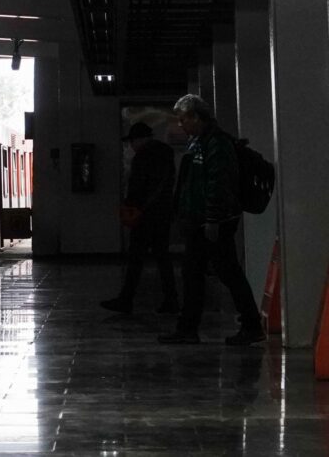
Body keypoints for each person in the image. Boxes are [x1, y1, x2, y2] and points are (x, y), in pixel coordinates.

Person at [158, 94, 264, 346]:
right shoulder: (200, 143)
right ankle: (188, 328)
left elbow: (218, 183)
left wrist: (213, 220)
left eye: (184, 119)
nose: (181, 125)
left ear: (197, 117)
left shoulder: (217, 144)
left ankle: (250, 326)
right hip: (201, 222)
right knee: (194, 274)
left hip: (213, 223)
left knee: (227, 273)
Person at [101, 122, 179, 315]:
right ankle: (171, 300)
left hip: (144, 215)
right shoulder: (167, 154)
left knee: (135, 258)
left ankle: (126, 300)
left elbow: (137, 186)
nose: (131, 146)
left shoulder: (142, 157)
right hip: (162, 214)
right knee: (162, 257)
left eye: (131, 142)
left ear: (139, 139)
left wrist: (130, 205)